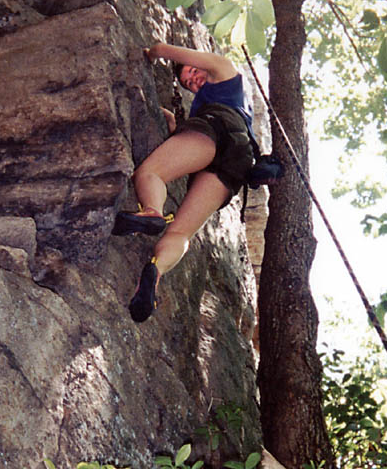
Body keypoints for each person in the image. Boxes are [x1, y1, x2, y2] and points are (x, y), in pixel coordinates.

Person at [112, 41, 281, 323]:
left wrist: (151, 53)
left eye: (192, 73)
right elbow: (186, 142)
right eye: (188, 83)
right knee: (180, 234)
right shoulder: (224, 102)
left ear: (201, 62)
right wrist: (168, 120)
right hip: (237, 161)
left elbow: (163, 49)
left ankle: (153, 211)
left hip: (215, 128)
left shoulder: (224, 70)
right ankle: (155, 272)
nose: (193, 80)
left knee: (149, 174)